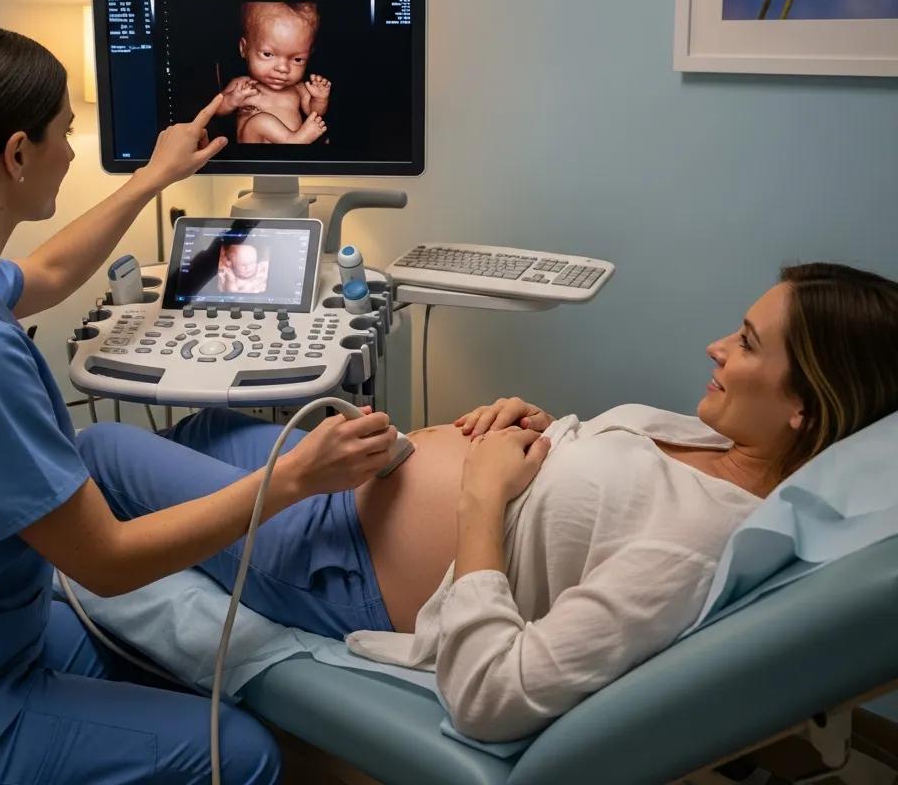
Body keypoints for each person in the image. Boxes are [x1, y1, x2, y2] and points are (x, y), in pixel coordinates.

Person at [0, 24, 401, 785]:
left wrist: (154, 177)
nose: (73, 147)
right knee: (243, 754)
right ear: (17, 155)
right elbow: (106, 563)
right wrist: (295, 480)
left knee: (152, 661)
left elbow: (48, 271)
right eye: (66, 131)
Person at [74, 261, 898, 743]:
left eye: (748, 345)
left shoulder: (695, 546)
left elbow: (494, 698)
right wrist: (535, 427)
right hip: (360, 479)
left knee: (101, 451)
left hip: (338, 561)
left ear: (806, 406)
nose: (717, 347)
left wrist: (480, 495)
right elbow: (583, 500)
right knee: (202, 422)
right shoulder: (714, 441)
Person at [213, 1, 331, 144]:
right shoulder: (242, 85)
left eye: (297, 59)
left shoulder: (298, 89)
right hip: (255, 149)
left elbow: (315, 113)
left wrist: (319, 98)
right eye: (268, 54)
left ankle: (296, 142)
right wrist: (232, 99)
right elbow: (216, 109)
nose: (283, 69)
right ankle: (295, 140)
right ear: (244, 48)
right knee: (258, 121)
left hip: (286, 159)